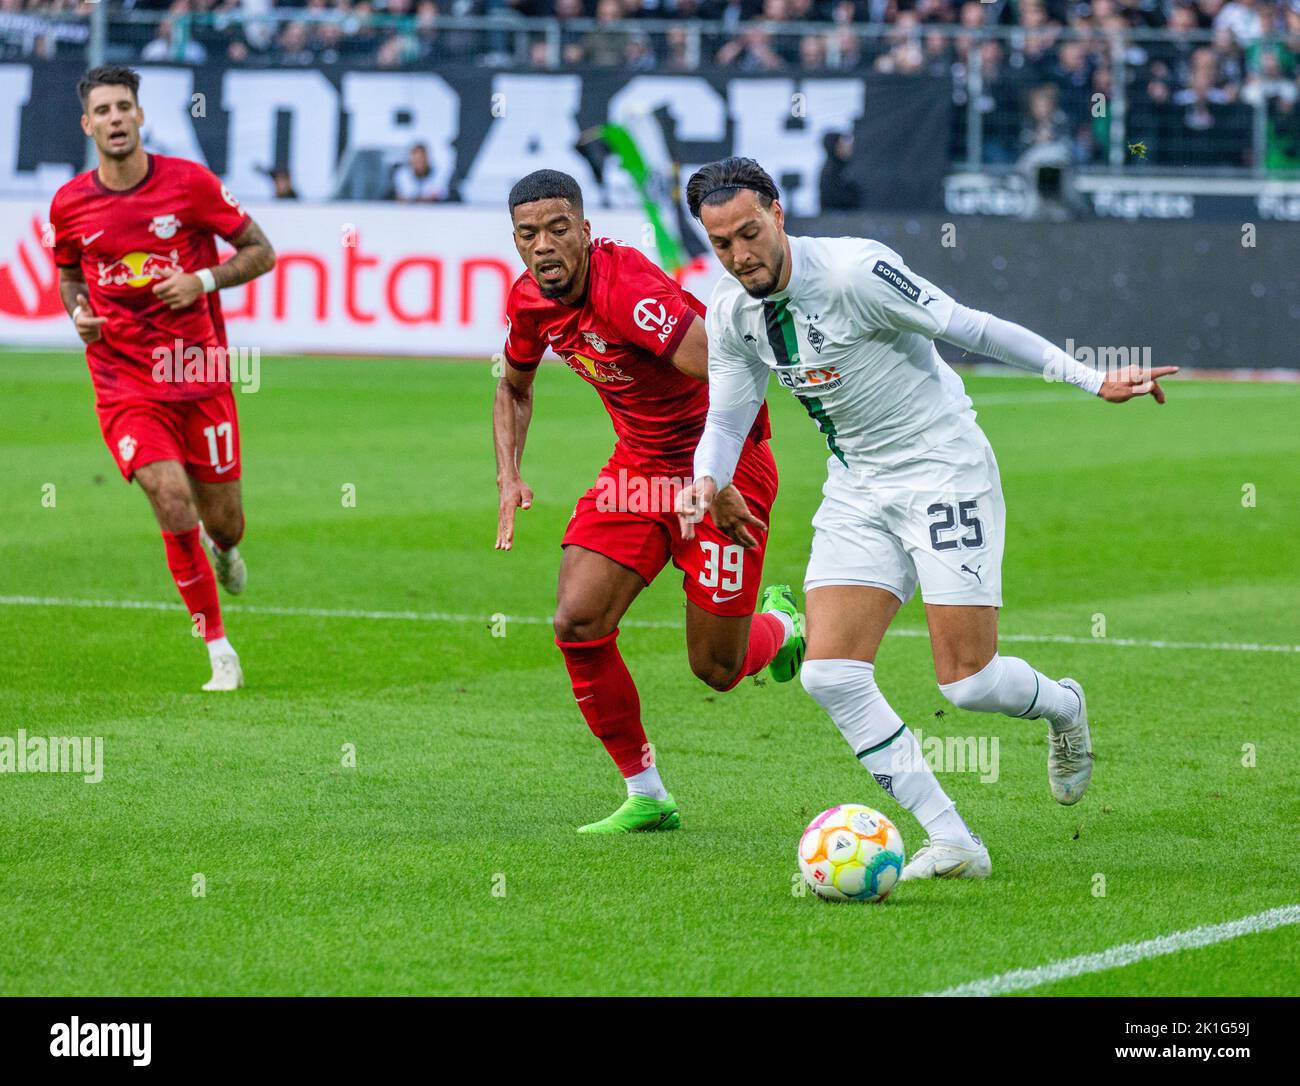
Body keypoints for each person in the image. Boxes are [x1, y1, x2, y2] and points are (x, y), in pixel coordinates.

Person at [675, 158, 1178, 879]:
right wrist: (706, 481)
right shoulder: (729, 310)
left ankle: (1064, 705)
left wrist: (1092, 378)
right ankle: (955, 841)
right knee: (830, 675)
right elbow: (727, 416)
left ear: (779, 213)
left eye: (749, 233)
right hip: (857, 486)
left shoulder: (856, 274)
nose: (739, 255)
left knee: (967, 683)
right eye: (722, 244)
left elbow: (972, 327)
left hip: (942, 471)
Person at [493, 169, 804, 834]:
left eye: (556, 229)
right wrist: (508, 473)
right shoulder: (529, 301)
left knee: (716, 668)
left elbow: (725, 370)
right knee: (577, 621)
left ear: (584, 229)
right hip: (639, 470)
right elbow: (512, 387)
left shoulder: (627, 291)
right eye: (528, 234)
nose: (543, 245)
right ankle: (647, 792)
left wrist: (715, 478)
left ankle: (781, 628)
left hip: (725, 463)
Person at [49, 66, 276, 691]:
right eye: (104, 110)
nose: (116, 118)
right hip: (124, 382)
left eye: (125, 106)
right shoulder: (69, 204)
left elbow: (262, 251)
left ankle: (224, 549)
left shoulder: (189, 184)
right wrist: (79, 314)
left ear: (141, 117)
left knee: (223, 522)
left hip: (199, 374)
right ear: (87, 124)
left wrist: (201, 281)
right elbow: (70, 276)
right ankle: (218, 649)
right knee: (169, 499)